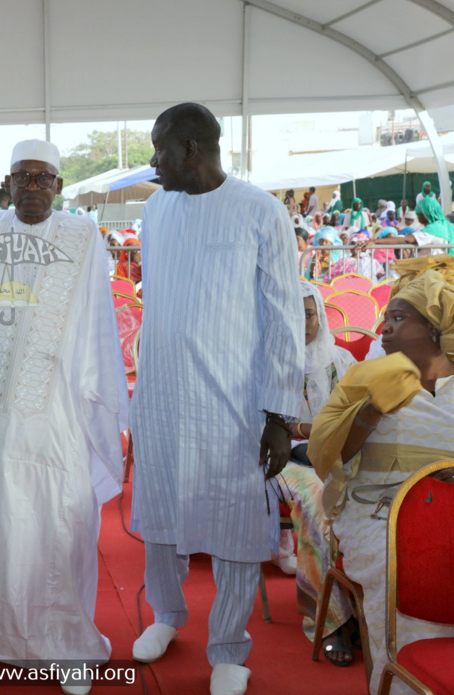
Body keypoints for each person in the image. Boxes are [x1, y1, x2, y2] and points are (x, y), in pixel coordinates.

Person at [0, 139, 128, 695]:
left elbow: (99, 324)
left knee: (59, 522)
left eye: (43, 178)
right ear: (7, 183)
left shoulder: (83, 237)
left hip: (55, 407)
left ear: (58, 185)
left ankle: (67, 645)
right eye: (22, 177)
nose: (32, 187)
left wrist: (98, 395)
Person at [129, 103, 302, 695]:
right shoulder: (156, 209)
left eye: (159, 149)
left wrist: (278, 415)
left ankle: (229, 647)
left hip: (232, 400)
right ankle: (166, 615)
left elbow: (284, 317)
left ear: (190, 149)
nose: (153, 163)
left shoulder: (261, 210)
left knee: (234, 519)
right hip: (161, 393)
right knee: (159, 511)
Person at [308, 255, 454, 694]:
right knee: (408, 568)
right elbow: (331, 454)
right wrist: (371, 410)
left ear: (434, 328)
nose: (384, 328)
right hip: (377, 513)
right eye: (385, 317)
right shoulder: (364, 377)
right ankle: (401, 677)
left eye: (399, 318)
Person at [271, 283, 358, 665]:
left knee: (373, 492)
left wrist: (318, 434)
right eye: (293, 315)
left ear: (319, 316)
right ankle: (332, 620)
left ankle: (363, 605)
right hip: (285, 460)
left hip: (339, 455)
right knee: (320, 498)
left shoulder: (341, 360)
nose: (302, 323)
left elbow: (358, 413)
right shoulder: (270, 363)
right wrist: (303, 432)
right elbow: (263, 425)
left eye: (308, 314)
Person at [360, 197, 454, 259]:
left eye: (419, 214)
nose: (417, 217)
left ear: (426, 215)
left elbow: (407, 240)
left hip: (434, 271)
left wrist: (376, 241)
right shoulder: (446, 225)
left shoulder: (433, 230)